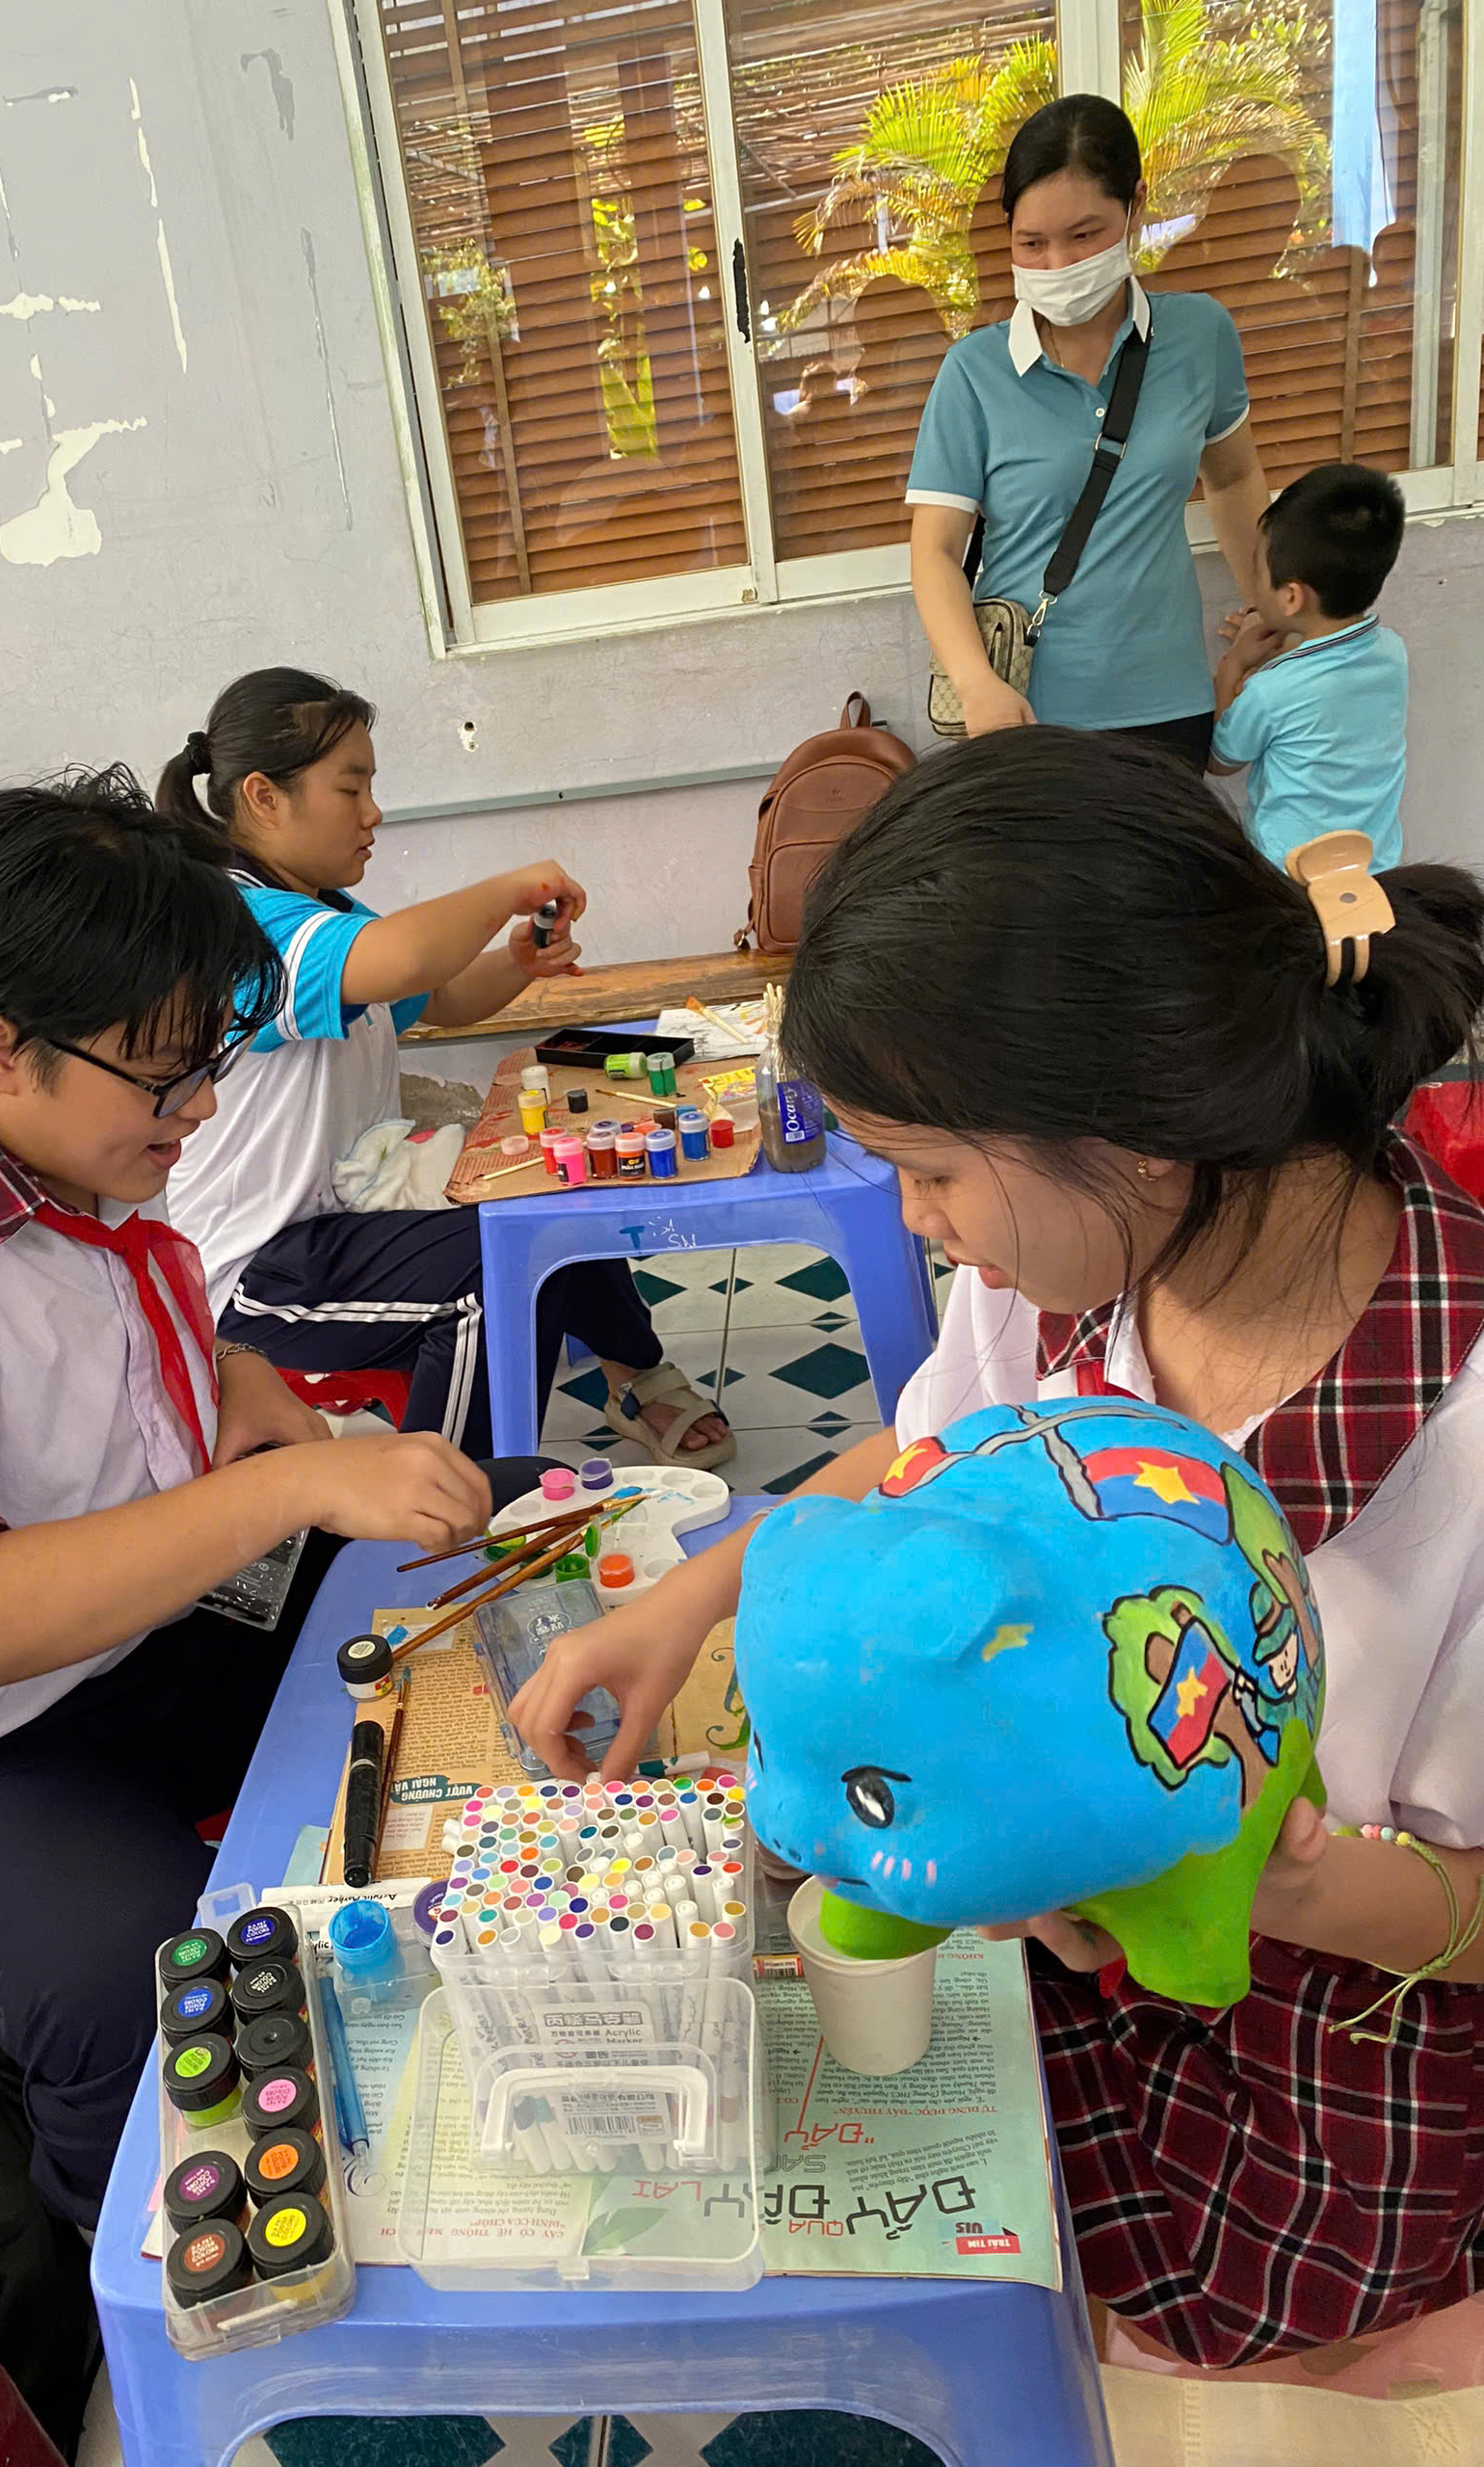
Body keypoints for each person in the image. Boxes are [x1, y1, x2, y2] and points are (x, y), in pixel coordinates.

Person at [512, 729, 1484, 2368]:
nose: (913, 1222)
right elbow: (917, 1460)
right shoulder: (1064, 1282)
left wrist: (1283, 1878)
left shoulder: (1459, 1441)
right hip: (1049, 1966)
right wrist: (687, 1599)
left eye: (933, 1171)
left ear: (1140, 1129)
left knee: (1210, 2373)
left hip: (1320, 2074)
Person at [0, 771, 517, 2226]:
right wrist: (294, 1487)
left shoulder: (72, 1155)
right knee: (155, 1989)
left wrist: (235, 1378)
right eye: (165, 1077)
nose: (200, 1107)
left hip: (152, 1634)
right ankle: (151, 2287)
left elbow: (96, 1341)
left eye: (205, 1061)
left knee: (480, 1526)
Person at [157, 667, 731, 1466]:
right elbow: (401, 959)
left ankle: (633, 1374)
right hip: (257, 1274)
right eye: (350, 788)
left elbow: (439, 994)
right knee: (494, 1268)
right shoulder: (239, 926)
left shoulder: (321, 914)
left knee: (545, 1187)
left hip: (348, 1223)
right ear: (264, 796)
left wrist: (517, 960)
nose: (373, 813)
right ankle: (450, 1499)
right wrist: (508, 889)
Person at [908, 94, 1269, 768]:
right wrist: (976, 684)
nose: (1057, 265)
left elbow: (1234, 478)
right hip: (1025, 716)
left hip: (1169, 705)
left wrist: (1269, 605)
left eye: (1083, 236)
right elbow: (935, 551)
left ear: (1136, 207)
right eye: (1031, 243)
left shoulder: (1201, 335)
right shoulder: (973, 373)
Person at [1212, 462, 1409, 871]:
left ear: (1290, 598)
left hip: (1292, 878)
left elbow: (1221, 761)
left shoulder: (1272, 690)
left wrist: (1233, 665)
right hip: (1376, 870)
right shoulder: (1393, 654)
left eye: (1257, 571)